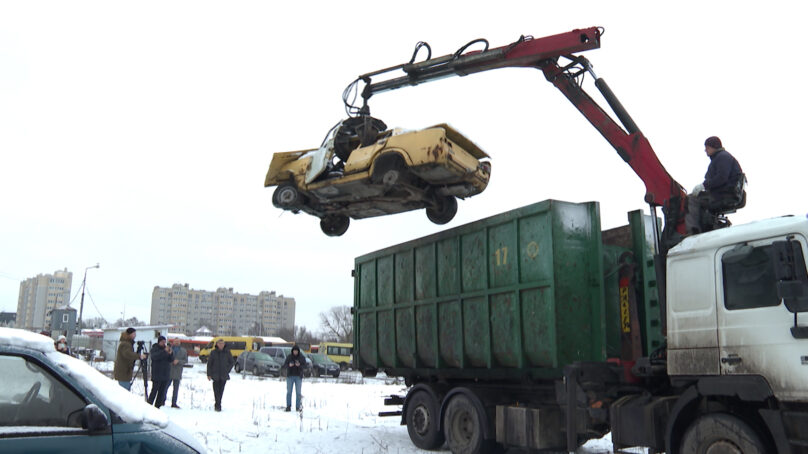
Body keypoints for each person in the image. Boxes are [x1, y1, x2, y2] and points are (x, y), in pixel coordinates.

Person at [686, 136, 744, 233]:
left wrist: (704, 186)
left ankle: (693, 230)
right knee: (700, 198)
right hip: (725, 193)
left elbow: (722, 178)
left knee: (691, 199)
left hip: (723, 195)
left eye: (707, 147)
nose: (705, 150)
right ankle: (709, 226)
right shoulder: (721, 157)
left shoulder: (722, 157)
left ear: (714, 147)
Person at [206, 339, 234, 412]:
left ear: (224, 344)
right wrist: (209, 374)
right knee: (216, 391)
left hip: (224, 375)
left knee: (221, 391)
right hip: (215, 375)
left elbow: (232, 362)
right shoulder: (213, 352)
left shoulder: (227, 352)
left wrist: (227, 370)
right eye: (220, 343)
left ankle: (218, 404)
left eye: (222, 343)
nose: (221, 345)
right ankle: (217, 405)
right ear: (217, 344)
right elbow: (209, 364)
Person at [147, 335, 174, 408]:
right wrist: (164, 352)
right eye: (162, 342)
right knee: (154, 391)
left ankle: (157, 407)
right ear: (159, 342)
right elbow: (155, 357)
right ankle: (149, 405)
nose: (164, 344)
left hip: (165, 375)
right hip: (157, 374)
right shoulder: (155, 349)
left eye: (165, 342)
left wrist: (170, 354)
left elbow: (171, 360)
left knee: (161, 393)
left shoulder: (165, 350)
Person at [168, 338, 188, 408]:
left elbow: (185, 360)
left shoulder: (183, 351)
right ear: (173, 342)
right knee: (165, 388)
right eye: (175, 341)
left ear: (180, 342)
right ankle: (162, 401)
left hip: (178, 372)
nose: (176, 343)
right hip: (169, 371)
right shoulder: (169, 349)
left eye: (178, 341)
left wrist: (178, 361)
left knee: (176, 389)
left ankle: (174, 403)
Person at [284, 345, 305, 412]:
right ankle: (288, 406)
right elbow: (285, 365)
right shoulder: (289, 357)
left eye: (296, 351)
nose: (295, 352)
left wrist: (299, 365)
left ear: (298, 351)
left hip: (298, 376)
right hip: (290, 376)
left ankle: (298, 407)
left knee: (298, 392)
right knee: (289, 392)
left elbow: (305, 365)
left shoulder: (301, 357)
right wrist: (289, 365)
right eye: (294, 351)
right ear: (292, 351)